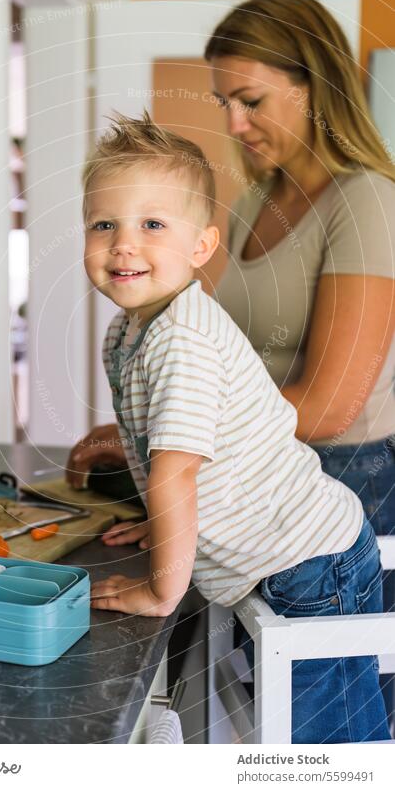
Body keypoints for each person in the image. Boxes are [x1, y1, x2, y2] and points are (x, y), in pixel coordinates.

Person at [72, 108, 389, 743]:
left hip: (309, 562)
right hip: (292, 555)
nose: (123, 243)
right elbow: (170, 447)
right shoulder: (128, 331)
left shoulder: (182, 341)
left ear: (201, 246)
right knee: (319, 728)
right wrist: (167, 518)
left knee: (328, 745)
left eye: (152, 224)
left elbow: (177, 468)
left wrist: (162, 591)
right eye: (103, 224)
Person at [204, 0, 395, 727]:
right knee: (276, 717)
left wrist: (183, 432)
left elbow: (328, 403)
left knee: (328, 731)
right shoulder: (256, 203)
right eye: (224, 102)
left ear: (315, 87)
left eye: (249, 100)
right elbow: (231, 361)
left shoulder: (367, 201)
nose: (233, 124)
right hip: (260, 477)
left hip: (343, 482)